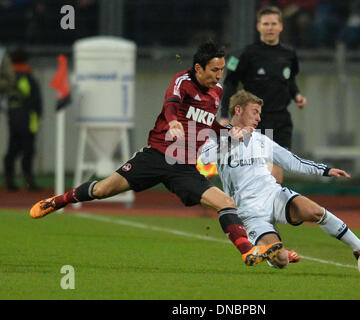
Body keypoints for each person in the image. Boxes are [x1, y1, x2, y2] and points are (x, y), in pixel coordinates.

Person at [29, 41, 282, 267]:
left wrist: (229, 132)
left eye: (222, 70)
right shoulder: (182, 81)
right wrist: (173, 123)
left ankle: (248, 252)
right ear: (198, 68)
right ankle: (58, 201)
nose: (219, 75)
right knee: (103, 190)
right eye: (214, 70)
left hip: (182, 167)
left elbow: (208, 124)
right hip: (156, 156)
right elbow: (171, 105)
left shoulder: (216, 93)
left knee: (226, 203)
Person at [202, 90, 360, 269]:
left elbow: (292, 161)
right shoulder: (218, 136)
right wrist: (232, 140)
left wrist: (325, 170)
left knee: (314, 211)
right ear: (238, 110)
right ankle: (273, 253)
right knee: (281, 261)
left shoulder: (261, 140)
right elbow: (204, 158)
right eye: (255, 112)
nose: (258, 118)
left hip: (273, 196)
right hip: (249, 213)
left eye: (259, 113)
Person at [220, 5, 307, 185]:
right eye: (266, 23)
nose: (270, 27)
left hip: (281, 118)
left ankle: (269, 209)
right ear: (258, 26)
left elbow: (289, 79)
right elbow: (229, 82)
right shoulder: (245, 54)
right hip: (255, 120)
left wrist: (296, 95)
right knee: (256, 167)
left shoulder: (289, 54)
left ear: (281, 26)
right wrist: (223, 114)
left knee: (277, 166)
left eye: (274, 23)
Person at [3, 48, 42, 191]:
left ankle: (9, 180)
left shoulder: (10, 78)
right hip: (28, 121)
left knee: (12, 151)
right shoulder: (27, 77)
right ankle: (29, 182)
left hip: (13, 120)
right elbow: (36, 101)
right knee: (28, 152)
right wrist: (38, 116)